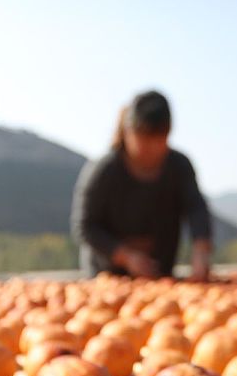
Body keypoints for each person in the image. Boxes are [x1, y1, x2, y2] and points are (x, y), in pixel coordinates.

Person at [71, 90, 213, 281]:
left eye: (159, 139)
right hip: (106, 279)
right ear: (127, 131)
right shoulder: (104, 171)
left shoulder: (179, 167)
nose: (153, 149)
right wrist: (126, 256)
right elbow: (85, 226)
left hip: (159, 278)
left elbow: (196, 208)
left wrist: (201, 250)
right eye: (144, 139)